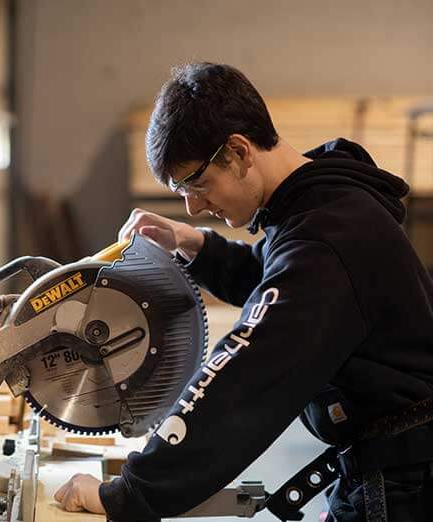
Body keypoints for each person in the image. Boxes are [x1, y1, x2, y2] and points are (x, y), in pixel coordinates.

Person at [54, 63, 433, 521]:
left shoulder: (327, 240)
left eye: (196, 182)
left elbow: (240, 380)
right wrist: (196, 246)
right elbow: (282, 282)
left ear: (238, 152)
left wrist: (128, 494)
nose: (193, 205)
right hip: (390, 466)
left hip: (409, 487)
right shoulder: (323, 205)